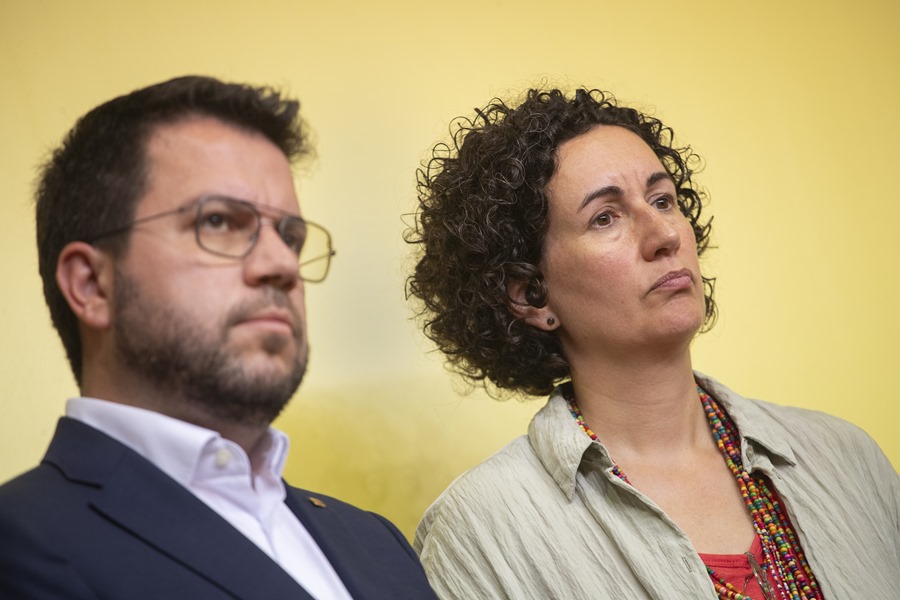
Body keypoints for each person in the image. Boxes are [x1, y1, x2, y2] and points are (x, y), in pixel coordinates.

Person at [406, 88, 899, 599]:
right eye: (605, 217)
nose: (665, 234)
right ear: (530, 294)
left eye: (663, 200)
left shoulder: (845, 457)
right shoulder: (480, 532)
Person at [0, 75, 436, 600]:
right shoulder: (19, 544)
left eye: (290, 237)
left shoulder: (377, 541)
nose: (282, 265)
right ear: (92, 284)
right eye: (219, 222)